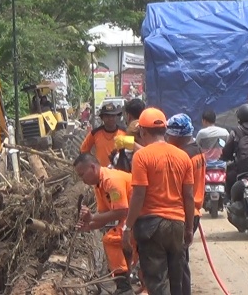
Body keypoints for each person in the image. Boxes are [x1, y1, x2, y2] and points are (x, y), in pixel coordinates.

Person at [121, 107, 195, 295]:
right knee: (176, 282)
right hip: (177, 225)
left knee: (157, 283)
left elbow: (139, 195)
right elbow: (189, 196)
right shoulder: (183, 156)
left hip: (151, 227)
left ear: (143, 132)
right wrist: (188, 228)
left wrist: (127, 227)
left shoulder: (142, 156)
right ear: (164, 130)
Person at [73, 153, 135, 295]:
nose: (82, 180)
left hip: (139, 216)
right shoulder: (99, 185)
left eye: (82, 175)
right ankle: (125, 277)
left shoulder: (110, 180)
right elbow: (105, 216)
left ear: (93, 167)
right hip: (129, 216)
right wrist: (89, 225)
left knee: (111, 240)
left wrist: (92, 216)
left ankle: (123, 283)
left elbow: (122, 211)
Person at [165, 113, 206, 295]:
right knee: (180, 262)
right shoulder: (197, 150)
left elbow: (187, 194)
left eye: (169, 136)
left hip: (184, 214)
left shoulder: (184, 156)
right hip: (193, 212)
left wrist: (188, 226)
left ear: (178, 135)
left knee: (178, 265)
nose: (167, 139)